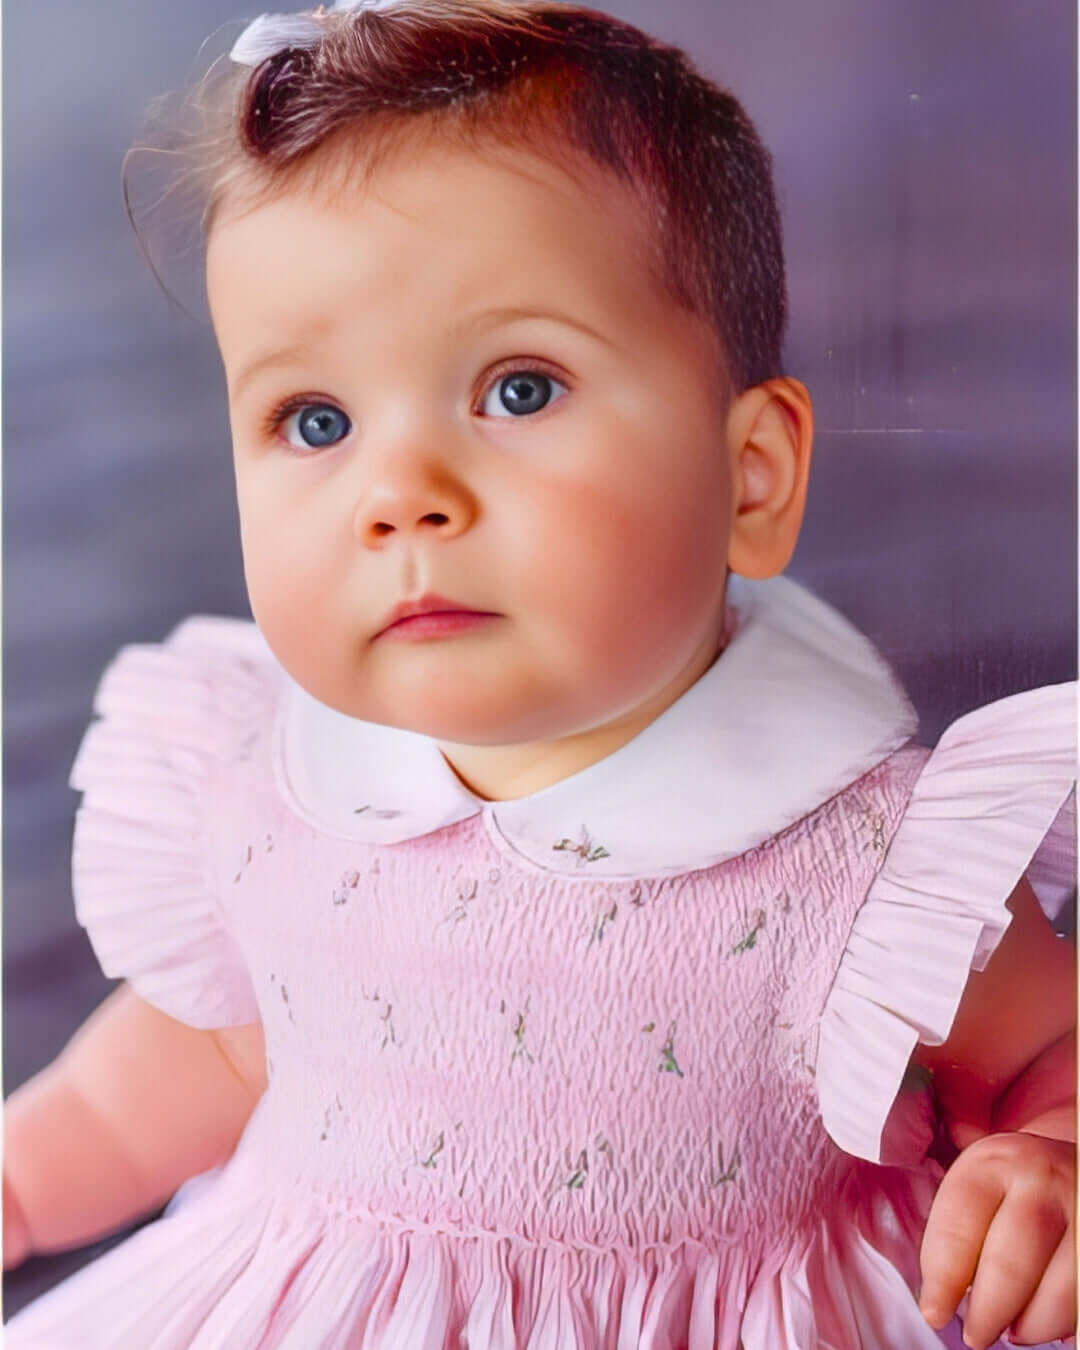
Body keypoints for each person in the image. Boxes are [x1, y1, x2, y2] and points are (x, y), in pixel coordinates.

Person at [3, 1, 1075, 1346]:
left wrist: (1056, 1151)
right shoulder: (265, 782)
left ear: (749, 477)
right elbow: (207, 1054)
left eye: (517, 389)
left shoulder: (862, 859)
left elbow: (1044, 1052)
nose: (401, 496)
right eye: (315, 420)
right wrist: (27, 1177)